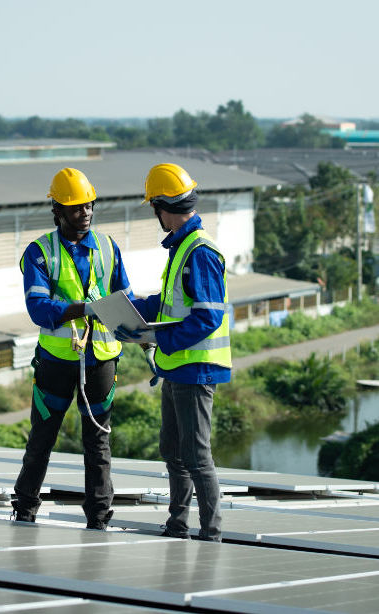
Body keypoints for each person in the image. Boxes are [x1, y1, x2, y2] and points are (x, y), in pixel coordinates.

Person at [12, 167, 140, 530]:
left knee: (97, 444)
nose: (84, 213)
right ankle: (24, 508)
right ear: (58, 211)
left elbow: (125, 300)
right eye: (75, 208)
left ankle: (99, 518)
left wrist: (142, 334)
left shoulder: (108, 247)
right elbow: (38, 309)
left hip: (100, 361)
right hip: (56, 361)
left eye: (89, 206)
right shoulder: (40, 253)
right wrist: (83, 309)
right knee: (42, 439)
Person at [116, 163, 231, 542]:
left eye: (155, 209)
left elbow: (208, 318)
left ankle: (210, 533)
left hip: (196, 370)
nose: (156, 217)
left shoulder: (200, 251)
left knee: (196, 456)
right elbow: (170, 305)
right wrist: (127, 309)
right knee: (173, 451)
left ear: (163, 207)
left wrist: (159, 339)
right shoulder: (183, 248)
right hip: (177, 369)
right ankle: (178, 524)